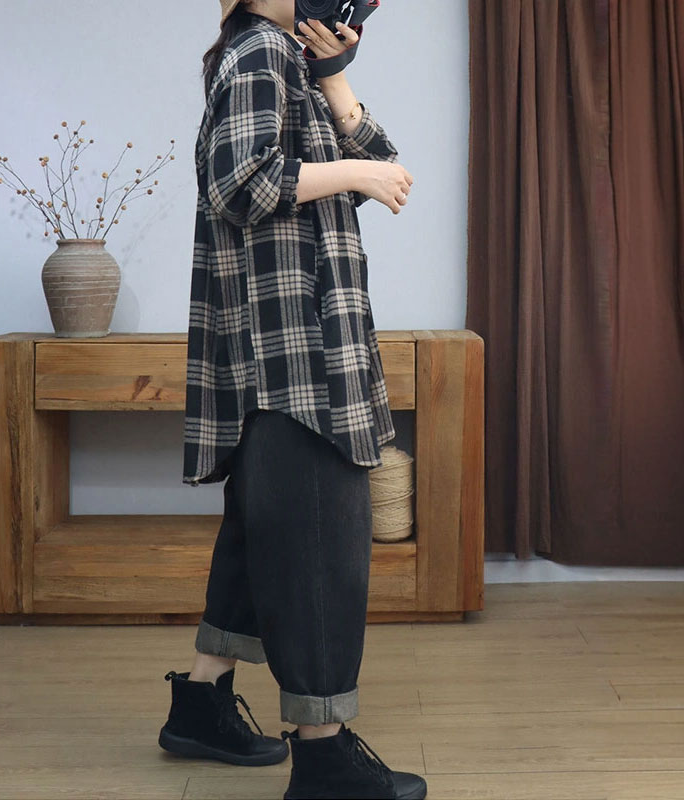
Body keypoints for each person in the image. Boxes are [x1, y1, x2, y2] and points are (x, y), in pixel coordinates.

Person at [159, 2, 426, 798]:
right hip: (296, 354)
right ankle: (323, 754)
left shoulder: (285, 59)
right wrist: (357, 174)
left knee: (262, 530)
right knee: (319, 548)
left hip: (291, 348)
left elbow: (388, 165)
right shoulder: (259, 53)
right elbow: (239, 184)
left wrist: (336, 78)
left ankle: (201, 705)